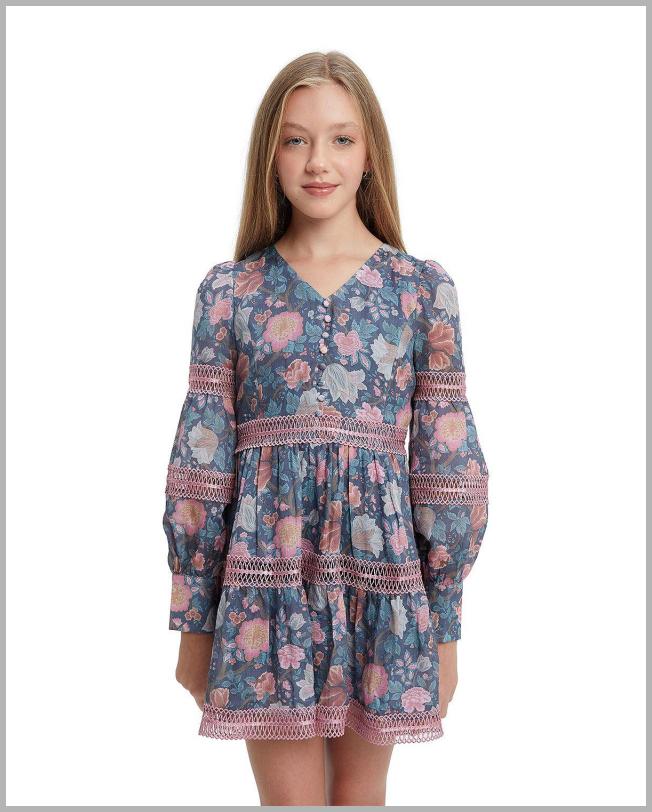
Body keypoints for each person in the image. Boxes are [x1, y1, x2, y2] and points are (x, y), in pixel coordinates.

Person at [162, 50, 489, 807]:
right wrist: (194, 616)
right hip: (265, 586)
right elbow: (201, 460)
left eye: (341, 139)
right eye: (296, 139)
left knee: (360, 798)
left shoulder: (420, 290)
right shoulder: (231, 292)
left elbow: (447, 463)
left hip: (381, 584)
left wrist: (444, 622)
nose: (318, 161)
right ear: (270, 155)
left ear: (370, 153)